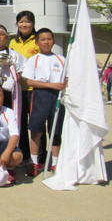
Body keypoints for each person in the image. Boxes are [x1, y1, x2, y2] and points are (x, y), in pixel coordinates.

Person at [21, 28, 66, 176]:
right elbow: (29, 81)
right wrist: (51, 85)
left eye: (49, 39)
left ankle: (55, 163)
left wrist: (62, 86)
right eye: (43, 39)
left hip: (57, 96)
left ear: (53, 41)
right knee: (36, 129)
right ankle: (34, 162)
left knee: (55, 130)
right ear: (37, 42)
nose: (46, 42)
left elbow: (67, 78)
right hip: (40, 95)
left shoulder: (61, 59)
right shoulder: (34, 59)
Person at [8, 11, 38, 162]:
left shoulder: (37, 40)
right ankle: (25, 154)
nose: (24, 25)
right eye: (21, 22)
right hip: (18, 90)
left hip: (34, 89)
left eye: (27, 21)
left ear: (33, 23)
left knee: (36, 124)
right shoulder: (13, 42)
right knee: (20, 122)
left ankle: (38, 156)